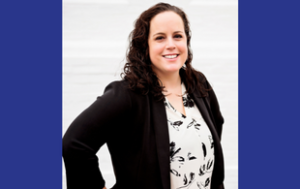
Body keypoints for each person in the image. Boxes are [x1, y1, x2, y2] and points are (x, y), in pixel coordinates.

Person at [63, 3, 225, 189]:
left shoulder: (198, 83)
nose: (171, 45)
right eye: (160, 38)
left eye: (178, 36)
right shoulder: (127, 95)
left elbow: (215, 126)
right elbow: (75, 145)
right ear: (145, 46)